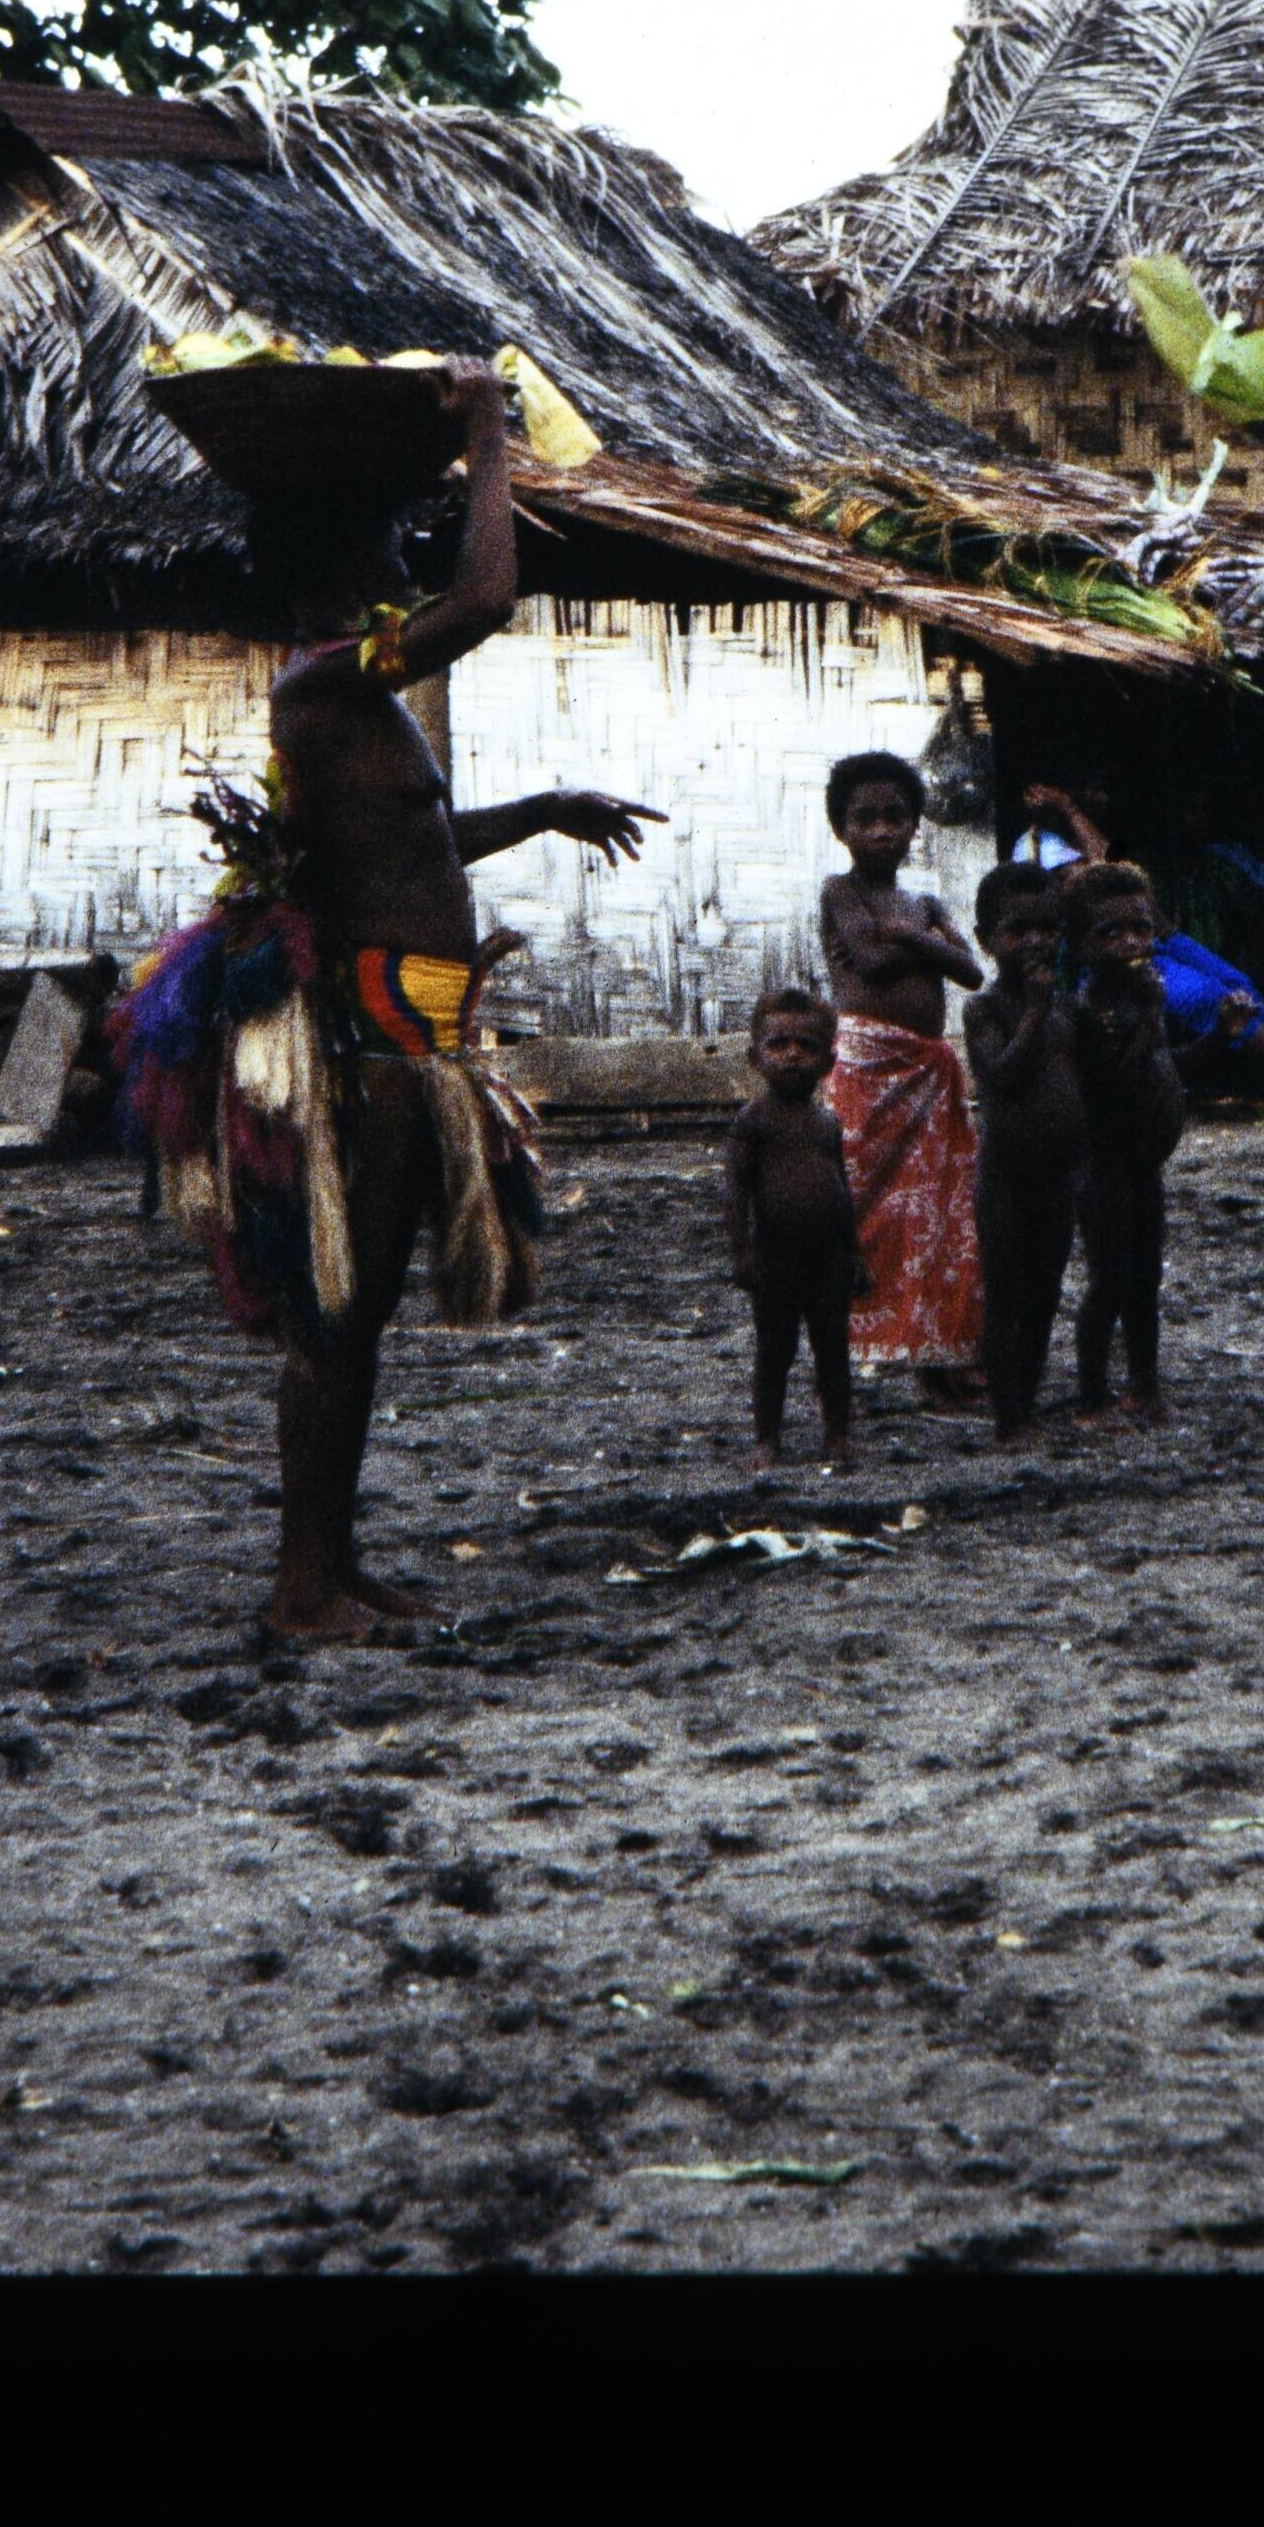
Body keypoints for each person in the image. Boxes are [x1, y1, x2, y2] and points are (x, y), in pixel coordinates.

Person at [108, 367, 659, 1642]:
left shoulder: (350, 701)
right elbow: (487, 598)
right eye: (383, 542)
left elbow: (408, 847)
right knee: (334, 1316)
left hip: (418, 1030)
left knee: (358, 1324)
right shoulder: (321, 683)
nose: (401, 562)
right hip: (372, 1036)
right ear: (333, 567)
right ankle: (301, 1588)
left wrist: (544, 811)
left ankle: (334, 1568)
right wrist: (484, 434)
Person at [1010, 783, 1264, 1120]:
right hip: (1116, 957)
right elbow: (1102, 878)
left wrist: (1074, 812)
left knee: (1239, 985)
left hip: (1161, 939)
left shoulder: (1093, 833)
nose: (1101, 796)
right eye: (1090, 790)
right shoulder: (1036, 846)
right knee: (1212, 999)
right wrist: (1068, 810)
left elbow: (1120, 873)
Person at [820, 750, 990, 1394]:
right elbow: (869, 961)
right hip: (867, 1066)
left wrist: (913, 936)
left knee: (935, 1211)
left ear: (916, 825)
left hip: (927, 1069)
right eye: (865, 819)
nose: (882, 831)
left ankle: (936, 1350)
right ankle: (850, 1345)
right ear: (841, 829)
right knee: (863, 1205)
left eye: (896, 817)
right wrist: (928, 942)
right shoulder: (841, 892)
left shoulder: (920, 903)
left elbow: (970, 972)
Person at [1059, 858, 1192, 1427]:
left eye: (1141, 928)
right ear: (1081, 945)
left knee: (1145, 1279)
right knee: (1109, 1280)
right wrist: (1151, 1016)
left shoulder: (1140, 998)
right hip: (1104, 1165)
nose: (1131, 943)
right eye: (1111, 932)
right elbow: (1113, 1082)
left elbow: (1170, 1066)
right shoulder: (1092, 1010)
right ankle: (1092, 1398)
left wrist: (1222, 1036)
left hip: (1144, 1162)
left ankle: (1144, 1385)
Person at [964, 865, 1088, 1444]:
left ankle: (1029, 1403)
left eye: (1047, 929)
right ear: (987, 939)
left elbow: (1086, 1084)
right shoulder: (985, 1009)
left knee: (1045, 1293)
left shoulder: (1069, 1008)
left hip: (1059, 1174)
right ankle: (1008, 1417)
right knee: (1007, 1296)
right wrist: (1035, 1010)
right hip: (1006, 1177)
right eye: (1019, 930)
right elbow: (1001, 1074)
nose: (1036, 942)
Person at [722, 988, 864, 1467]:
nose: (793, 1055)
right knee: (774, 1352)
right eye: (778, 1044)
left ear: (829, 1061)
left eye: (807, 1046)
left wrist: (854, 1253)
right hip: (775, 1259)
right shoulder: (753, 1122)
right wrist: (742, 1252)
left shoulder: (827, 1122)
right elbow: (736, 1192)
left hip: (827, 1260)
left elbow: (840, 1190)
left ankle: (838, 1434)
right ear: (755, 1056)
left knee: (833, 1349)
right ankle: (767, 1439)